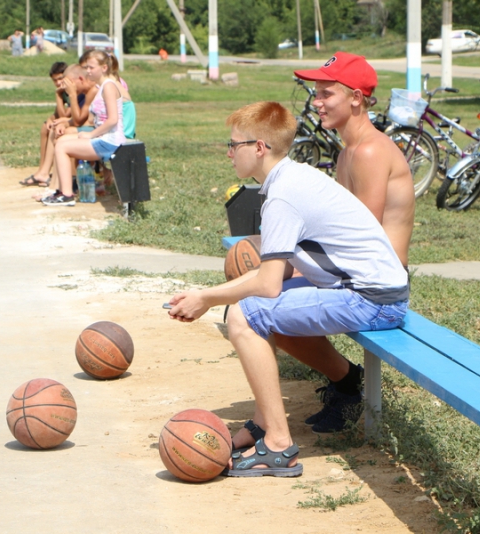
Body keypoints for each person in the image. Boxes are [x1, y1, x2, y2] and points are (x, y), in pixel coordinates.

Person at [167, 101, 410, 477]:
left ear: (259, 148)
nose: (229, 153)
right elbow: (275, 277)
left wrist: (206, 297)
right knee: (262, 312)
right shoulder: (291, 178)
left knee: (245, 315)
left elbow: (265, 283)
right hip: (375, 292)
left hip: (372, 300)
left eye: (235, 145)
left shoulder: (282, 196)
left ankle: (278, 445)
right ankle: (263, 422)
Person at [264, 53, 413, 433]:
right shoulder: (349, 150)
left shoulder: (368, 152)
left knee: (267, 308)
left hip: (372, 286)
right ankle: (345, 381)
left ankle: (347, 385)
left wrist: (294, 265)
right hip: (352, 274)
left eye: (326, 93)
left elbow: (363, 236)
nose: (316, 102)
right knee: (266, 300)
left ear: (356, 99)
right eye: (316, 93)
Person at [44, 51, 126, 206]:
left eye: (91, 68)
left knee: (62, 147)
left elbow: (113, 120)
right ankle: (62, 191)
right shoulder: (102, 86)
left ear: (103, 68)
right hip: (104, 137)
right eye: (87, 67)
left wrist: (91, 135)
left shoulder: (108, 86)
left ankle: (66, 194)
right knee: (62, 142)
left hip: (111, 141)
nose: (88, 71)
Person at [20, 63, 98, 190]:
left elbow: (74, 119)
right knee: (48, 127)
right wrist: (52, 119)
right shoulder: (80, 90)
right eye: (55, 80)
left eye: (62, 79)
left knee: (59, 135)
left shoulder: (86, 91)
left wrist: (69, 95)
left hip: (95, 131)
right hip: (87, 127)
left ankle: (59, 185)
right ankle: (44, 173)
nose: (61, 83)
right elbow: (59, 114)